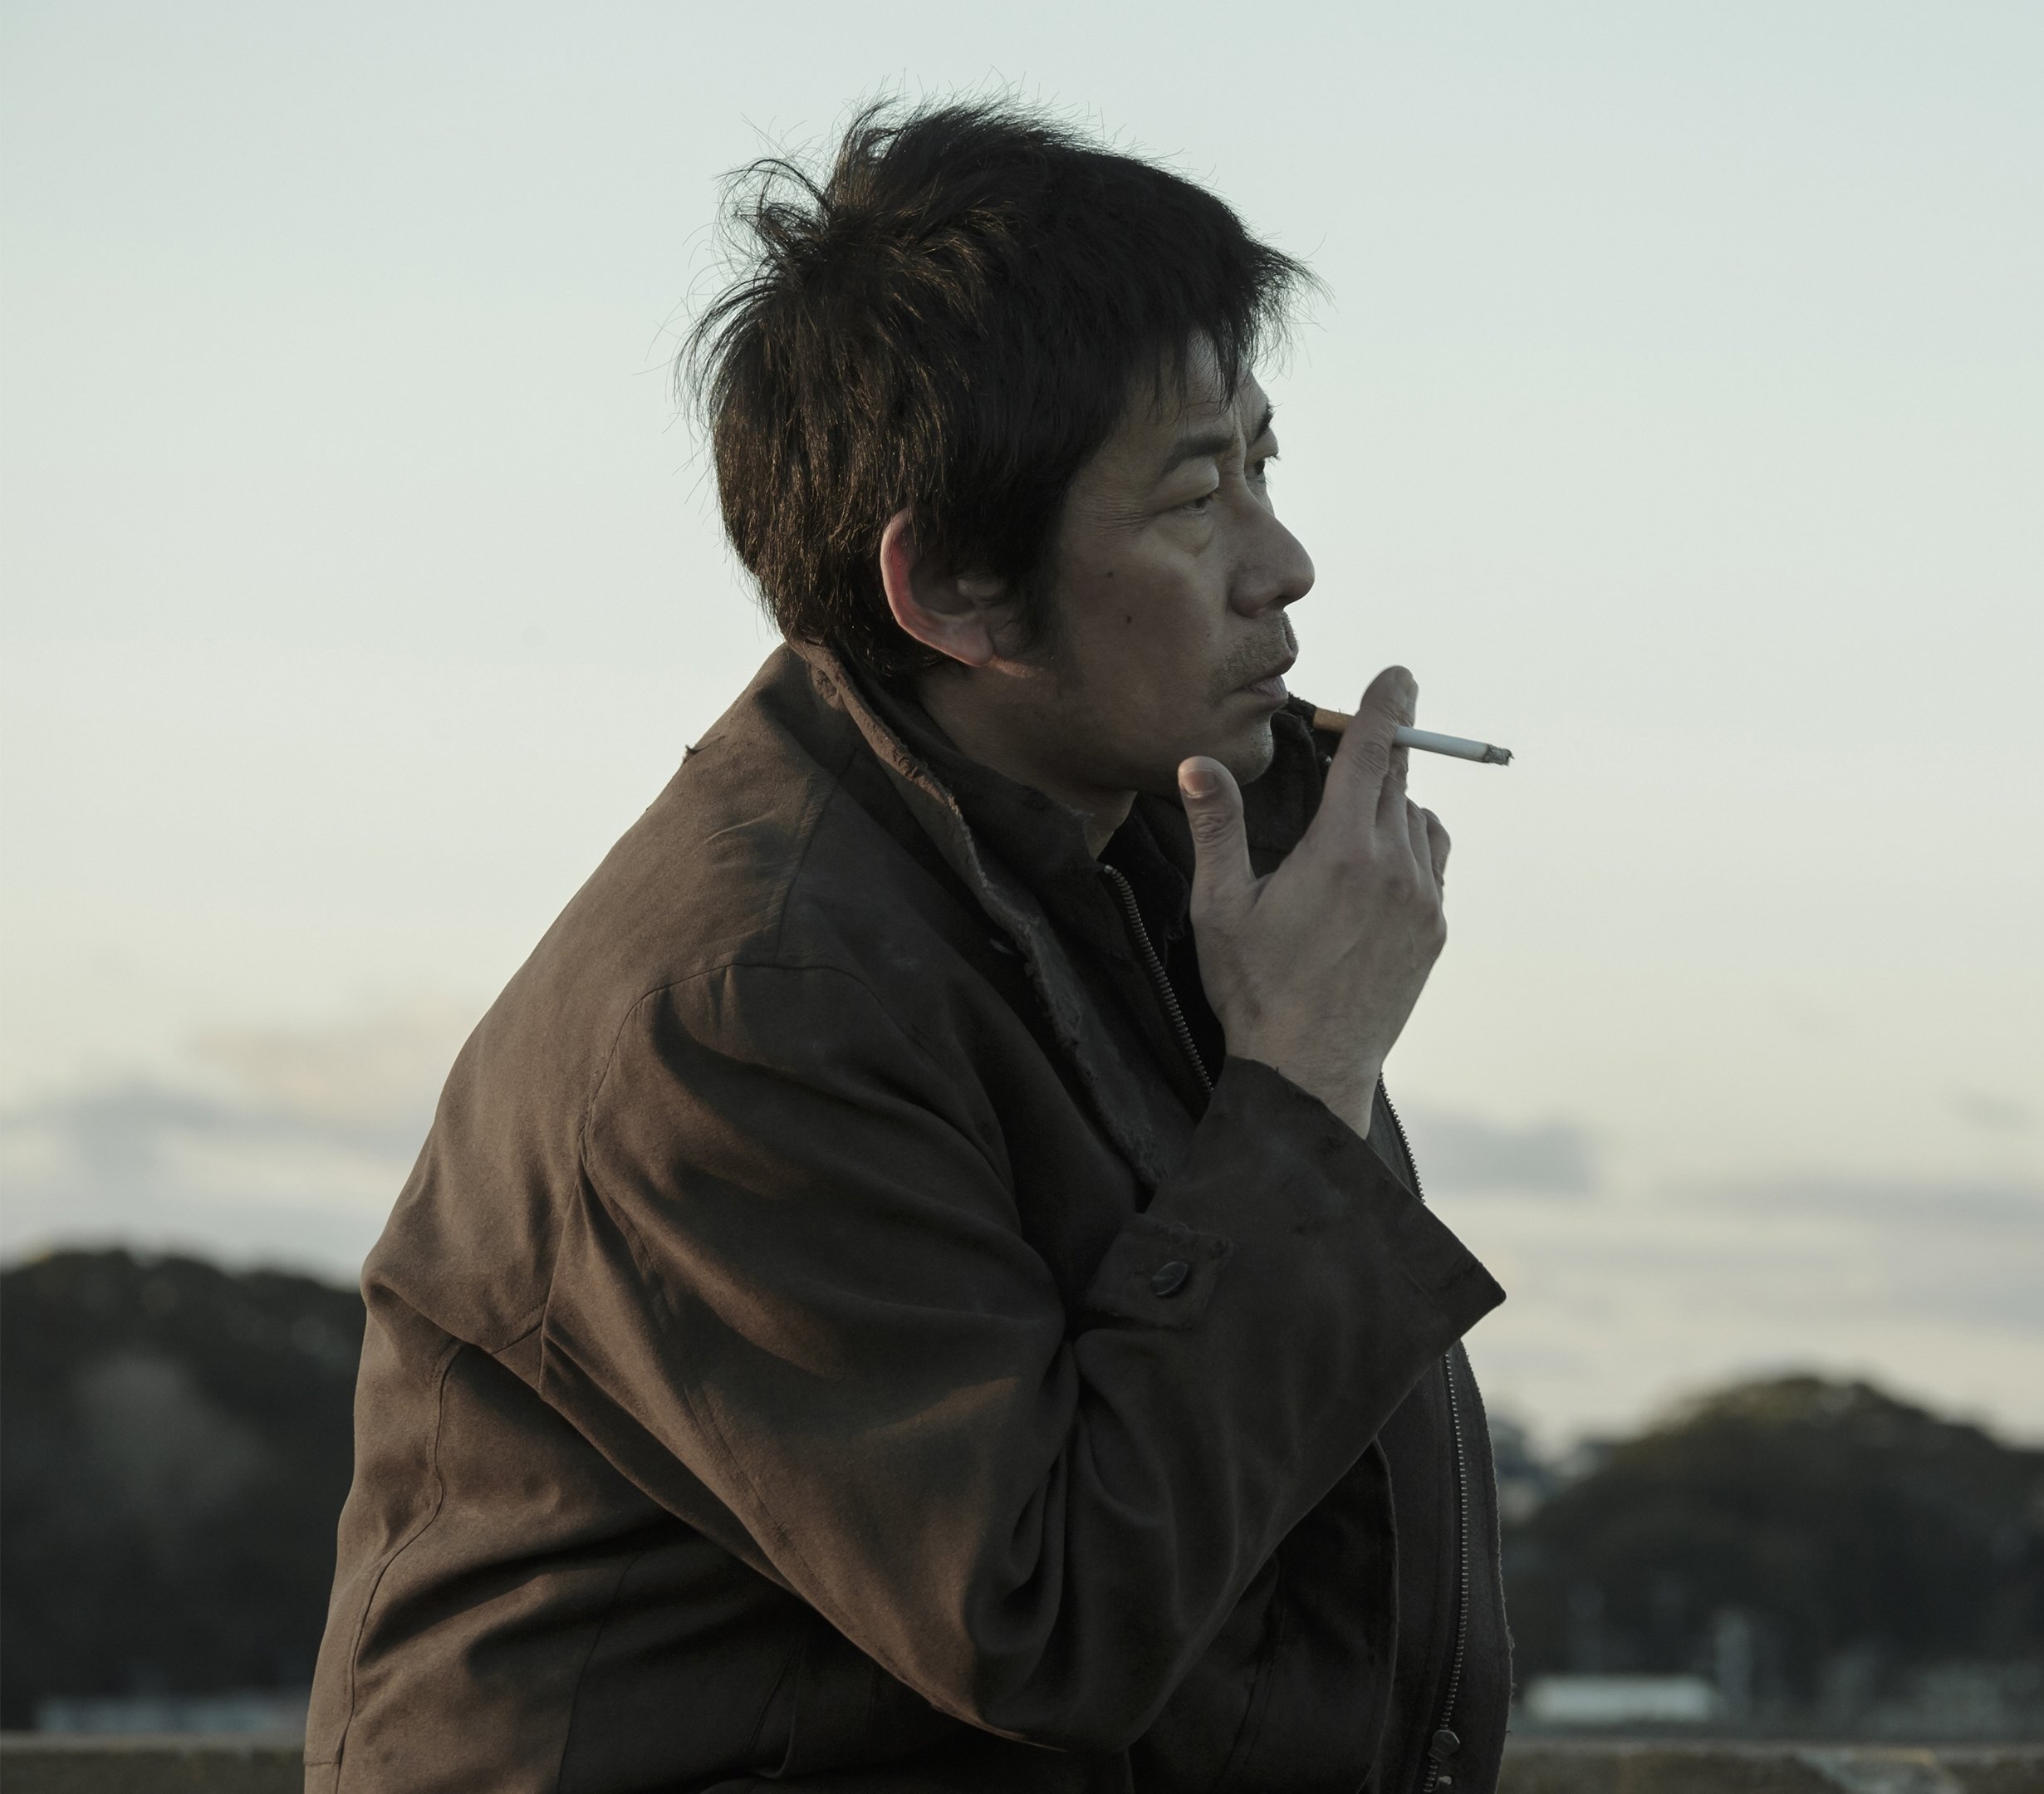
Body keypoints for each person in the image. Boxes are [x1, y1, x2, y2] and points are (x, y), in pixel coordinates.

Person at [304, 100, 1511, 1793]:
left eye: (1264, 465)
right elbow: (1051, 1618)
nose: (1285, 565)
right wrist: (1306, 1076)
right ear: (952, 591)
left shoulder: (1138, 869)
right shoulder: (748, 1010)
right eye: (1194, 497)